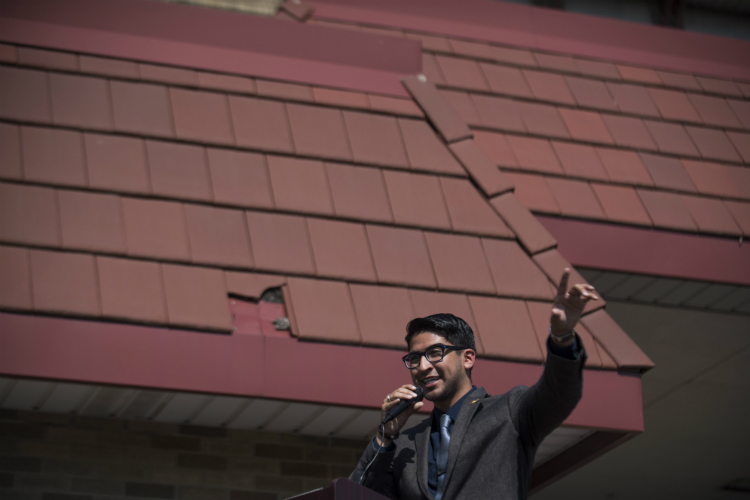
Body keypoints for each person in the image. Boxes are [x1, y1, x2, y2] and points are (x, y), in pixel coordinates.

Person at [350, 268, 598, 500]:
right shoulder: (405, 444)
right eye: (415, 358)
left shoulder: (508, 413)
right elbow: (354, 496)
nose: (423, 366)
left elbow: (559, 395)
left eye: (436, 352)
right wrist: (385, 437)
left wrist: (562, 338)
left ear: (467, 358)